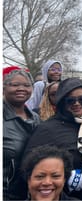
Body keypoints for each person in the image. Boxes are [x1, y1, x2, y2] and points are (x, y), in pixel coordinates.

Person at [24, 78, 82, 200]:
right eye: (70, 100)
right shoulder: (47, 129)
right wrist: (66, 175)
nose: (77, 103)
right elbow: (28, 165)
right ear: (62, 102)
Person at [3, 67, 41, 200]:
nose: (21, 88)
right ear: (4, 88)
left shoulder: (35, 118)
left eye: (26, 85)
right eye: (15, 85)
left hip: (27, 192)